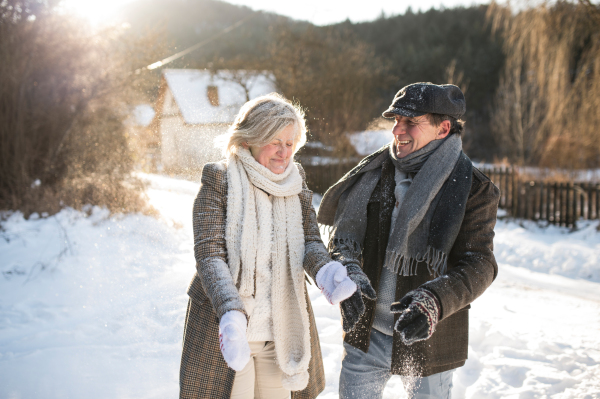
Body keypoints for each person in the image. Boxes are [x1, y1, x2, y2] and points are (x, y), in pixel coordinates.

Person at [179, 93, 373, 399]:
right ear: (249, 140)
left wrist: (325, 273)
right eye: (275, 141)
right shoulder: (219, 179)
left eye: (290, 142)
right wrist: (231, 314)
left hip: (280, 329)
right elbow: (209, 255)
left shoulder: (295, 182)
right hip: (228, 329)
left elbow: (309, 240)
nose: (285, 152)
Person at [317, 82, 500, 398]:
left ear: (443, 128)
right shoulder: (374, 173)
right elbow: (344, 241)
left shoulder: (473, 188)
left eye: (410, 122)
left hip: (429, 338)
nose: (396, 130)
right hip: (366, 334)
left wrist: (434, 301)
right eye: (395, 121)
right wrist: (350, 273)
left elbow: (480, 264)